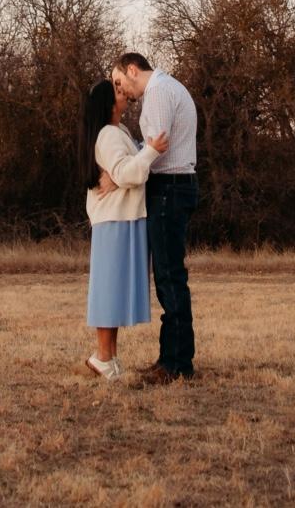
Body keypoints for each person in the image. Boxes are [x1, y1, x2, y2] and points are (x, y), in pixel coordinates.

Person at [110, 51, 199, 384]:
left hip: (169, 188)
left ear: (132, 70)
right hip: (173, 187)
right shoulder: (166, 88)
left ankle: (176, 364)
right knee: (168, 274)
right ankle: (172, 358)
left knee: (169, 276)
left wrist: (121, 170)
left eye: (119, 81)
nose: (120, 90)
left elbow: (156, 149)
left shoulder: (159, 92)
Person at [80, 76, 169, 381]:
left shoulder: (119, 132)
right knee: (108, 289)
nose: (124, 93)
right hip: (114, 220)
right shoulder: (107, 135)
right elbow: (127, 171)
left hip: (122, 217)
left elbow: (124, 170)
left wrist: (139, 156)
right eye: (117, 91)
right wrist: (151, 151)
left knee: (115, 289)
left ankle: (109, 358)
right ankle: (103, 356)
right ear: (108, 103)